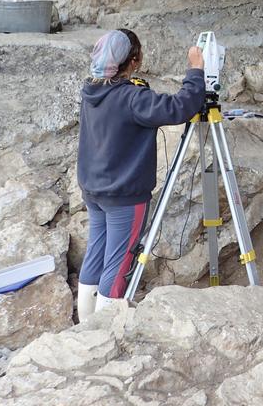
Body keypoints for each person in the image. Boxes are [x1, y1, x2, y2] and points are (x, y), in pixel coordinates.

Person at [76, 29, 205, 321]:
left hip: (94, 190)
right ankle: (103, 332)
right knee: (119, 262)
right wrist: (195, 71)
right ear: (133, 61)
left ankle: (84, 326)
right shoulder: (132, 98)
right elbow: (179, 107)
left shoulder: (91, 91)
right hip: (124, 196)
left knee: (96, 253)